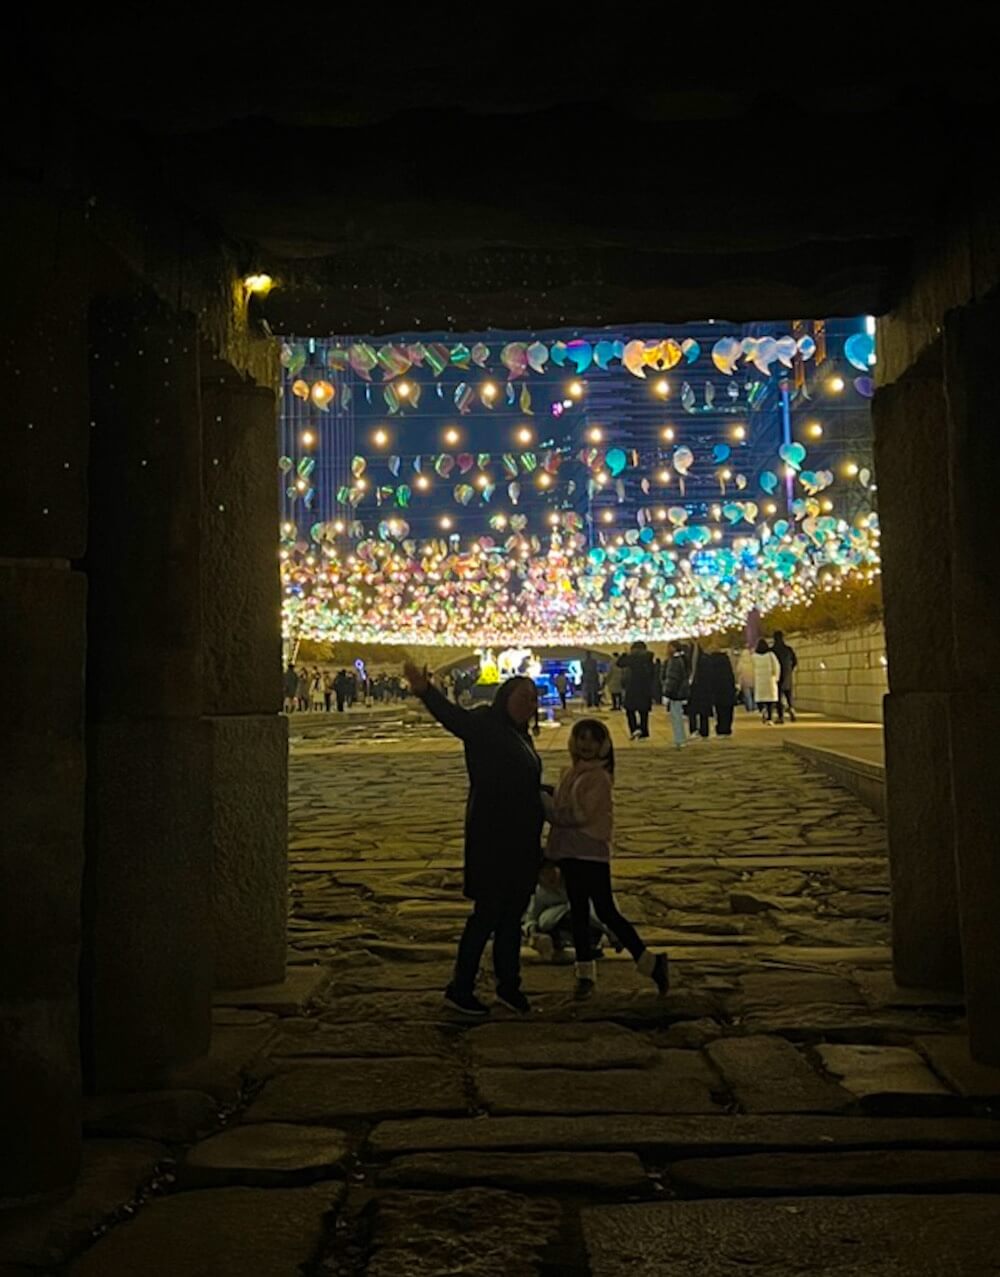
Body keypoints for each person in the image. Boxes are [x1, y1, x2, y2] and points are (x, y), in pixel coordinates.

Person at [403, 661, 544, 1016]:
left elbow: (523, 783)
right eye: (523, 697)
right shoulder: (485, 724)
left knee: (511, 917)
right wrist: (426, 691)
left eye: (533, 698)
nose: (529, 704)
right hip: (493, 838)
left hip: (521, 841)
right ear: (505, 697)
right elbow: (453, 718)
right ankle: (460, 987)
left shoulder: (521, 735)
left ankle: (509, 987)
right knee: (486, 916)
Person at [545, 718, 669, 999]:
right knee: (578, 912)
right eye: (581, 738)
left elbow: (579, 816)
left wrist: (547, 809)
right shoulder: (572, 773)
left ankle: (647, 960)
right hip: (569, 851)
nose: (586, 745)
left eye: (592, 739)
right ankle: (585, 973)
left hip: (589, 852)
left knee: (605, 911)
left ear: (603, 746)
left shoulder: (598, 778)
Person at [523, 860, 608, 961]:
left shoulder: (578, 883)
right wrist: (533, 933)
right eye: (544, 874)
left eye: (552, 871)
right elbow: (531, 918)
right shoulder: (540, 893)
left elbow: (598, 916)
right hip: (557, 931)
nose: (550, 876)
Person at [618, 641, 655, 739]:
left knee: (630, 711)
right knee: (644, 713)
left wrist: (624, 654)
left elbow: (620, 663)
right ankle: (644, 731)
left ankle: (634, 730)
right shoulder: (649, 658)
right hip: (645, 689)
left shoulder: (632, 658)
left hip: (633, 688)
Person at [662, 641, 691, 749]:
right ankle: (680, 738)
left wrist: (667, 693)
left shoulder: (674, 661)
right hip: (680, 692)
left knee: (676, 717)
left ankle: (679, 739)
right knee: (678, 715)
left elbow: (672, 678)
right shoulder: (683, 659)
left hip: (675, 693)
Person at [753, 638, 783, 724]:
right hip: (769, 679)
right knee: (770, 700)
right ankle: (769, 718)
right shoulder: (771, 655)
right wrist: (776, 677)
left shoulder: (754, 656)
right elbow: (777, 666)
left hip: (759, 680)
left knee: (760, 698)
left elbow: (752, 669)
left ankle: (762, 710)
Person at [771, 631, 798, 721]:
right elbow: (795, 661)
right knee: (788, 695)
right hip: (787, 675)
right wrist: (790, 669)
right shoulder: (788, 649)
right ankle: (791, 708)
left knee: (778, 697)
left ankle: (780, 716)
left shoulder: (772, 650)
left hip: (777, 676)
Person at [736, 646, 756, 712]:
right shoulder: (753, 661)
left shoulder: (741, 662)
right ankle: (755, 706)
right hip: (754, 680)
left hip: (745, 681)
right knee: (754, 694)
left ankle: (749, 707)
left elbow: (738, 671)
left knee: (747, 696)